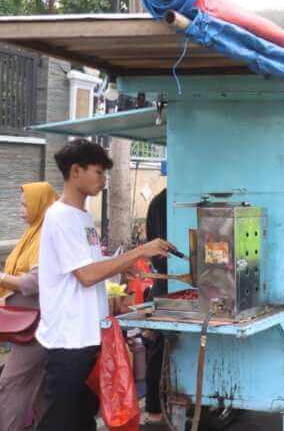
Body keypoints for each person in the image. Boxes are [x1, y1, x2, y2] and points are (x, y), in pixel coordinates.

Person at [35, 139, 173, 431]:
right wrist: (139, 252)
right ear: (75, 171)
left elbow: (93, 268)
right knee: (59, 421)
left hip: (89, 337)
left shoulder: (83, 217)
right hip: (67, 340)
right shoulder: (60, 217)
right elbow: (86, 275)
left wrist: (126, 270)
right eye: (98, 172)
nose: (103, 180)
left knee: (84, 417)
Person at [0, 182, 57, 431]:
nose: (21, 210)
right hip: (27, 323)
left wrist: (1, 279)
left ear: (40, 204)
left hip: (37, 324)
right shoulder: (33, 232)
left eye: (25, 205)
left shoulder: (47, 234)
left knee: (11, 383)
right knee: (40, 387)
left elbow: (35, 282)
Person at [142, 187, 168, 425]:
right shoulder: (163, 202)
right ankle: (154, 410)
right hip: (168, 283)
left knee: (158, 347)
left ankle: (155, 409)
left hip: (164, 281)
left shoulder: (158, 201)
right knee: (157, 344)